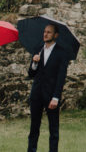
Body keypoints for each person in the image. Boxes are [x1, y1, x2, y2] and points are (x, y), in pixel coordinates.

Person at [27, 23, 70, 152]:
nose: (45, 34)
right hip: (36, 95)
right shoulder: (38, 49)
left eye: (49, 32)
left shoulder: (62, 53)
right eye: (45, 31)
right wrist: (34, 63)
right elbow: (31, 74)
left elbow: (61, 77)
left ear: (55, 35)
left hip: (51, 96)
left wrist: (56, 97)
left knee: (53, 130)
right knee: (34, 128)